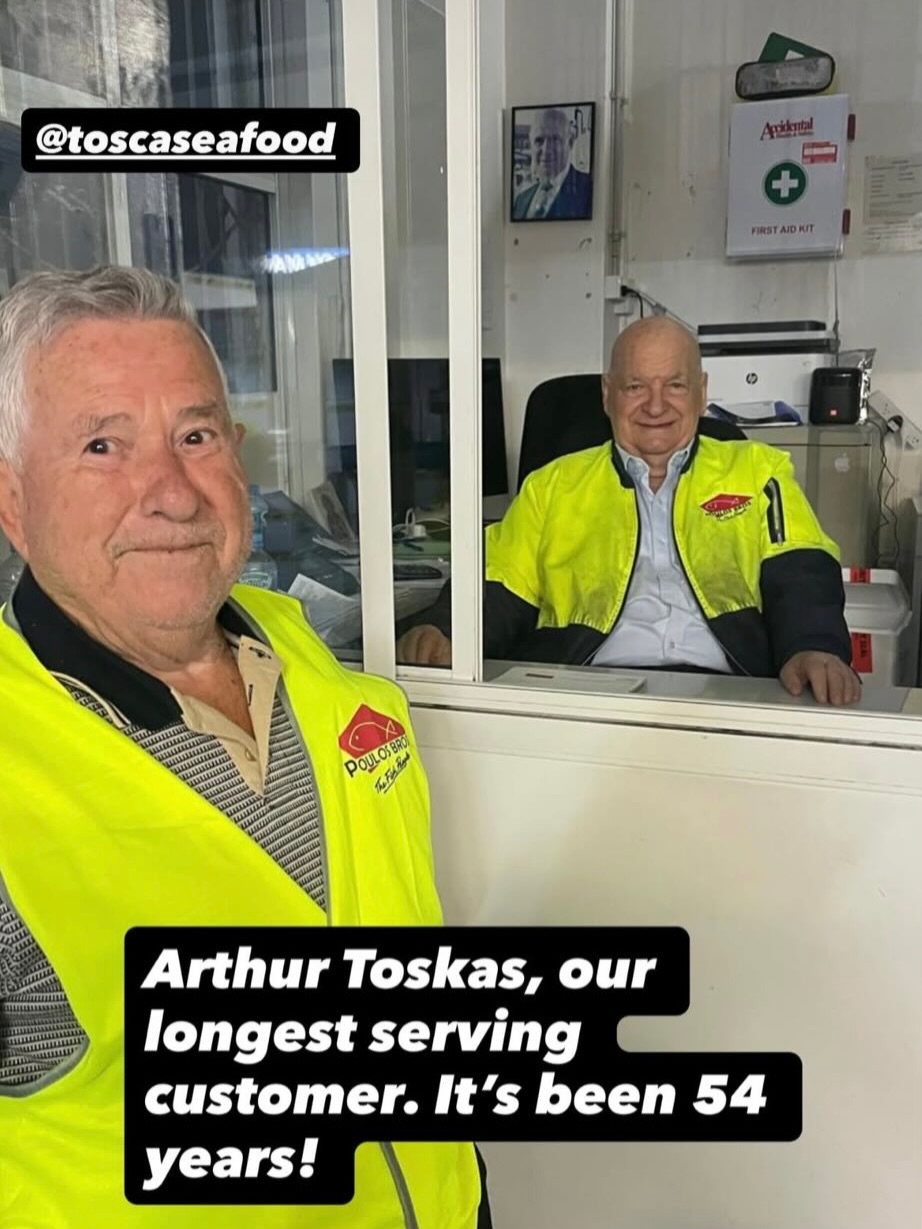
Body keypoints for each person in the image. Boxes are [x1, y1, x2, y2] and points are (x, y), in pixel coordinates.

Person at [0, 266, 489, 1228]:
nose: (172, 492)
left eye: (196, 435)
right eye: (103, 445)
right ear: (12, 502)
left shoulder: (301, 651)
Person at [398, 317, 860, 707]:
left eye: (675, 385)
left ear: (701, 392)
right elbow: (499, 580)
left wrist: (814, 646)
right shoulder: (552, 485)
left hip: (728, 693)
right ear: (607, 394)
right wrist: (446, 629)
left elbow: (801, 569)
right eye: (635, 386)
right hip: (583, 692)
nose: (655, 406)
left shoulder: (758, 470)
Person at [511, 107, 593, 221]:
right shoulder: (521, 200)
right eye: (539, 141)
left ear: (570, 142)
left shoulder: (589, 190)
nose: (546, 149)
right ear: (530, 146)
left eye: (555, 140)